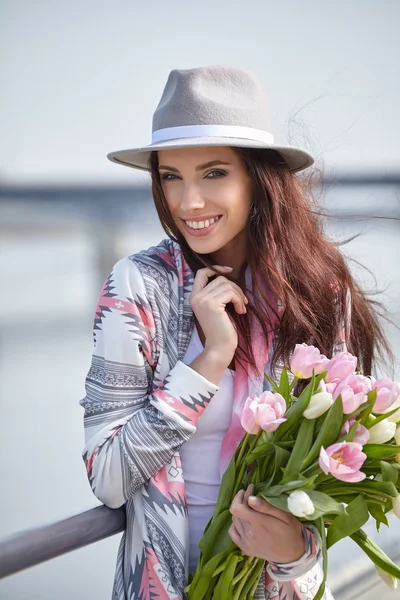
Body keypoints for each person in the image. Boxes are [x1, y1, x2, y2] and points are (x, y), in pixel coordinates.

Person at [80, 66, 391, 600]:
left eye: (214, 173)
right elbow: (108, 478)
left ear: (259, 176)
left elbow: (329, 486)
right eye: (171, 176)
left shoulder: (320, 291)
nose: (188, 202)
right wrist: (210, 359)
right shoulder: (137, 287)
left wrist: (295, 554)